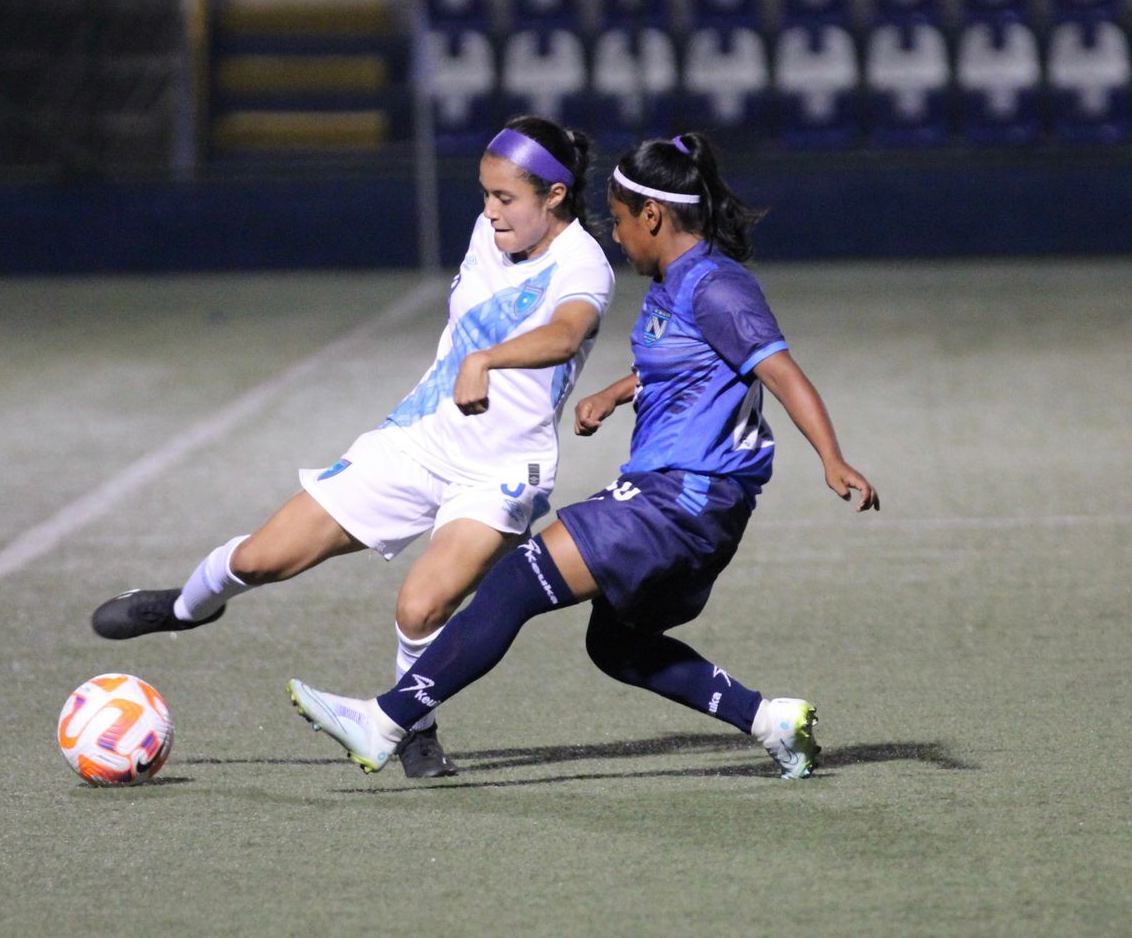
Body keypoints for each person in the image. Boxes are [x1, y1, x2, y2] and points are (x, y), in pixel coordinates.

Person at [288, 132, 879, 780]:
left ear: (653, 216)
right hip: (699, 508)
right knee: (616, 647)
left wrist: (832, 458)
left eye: (621, 222)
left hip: (679, 498)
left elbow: (782, 372)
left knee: (518, 580)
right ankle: (771, 721)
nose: (616, 238)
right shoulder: (677, 282)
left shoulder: (715, 287)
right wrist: (618, 391)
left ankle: (385, 722)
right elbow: (693, 364)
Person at [91, 115, 615, 778]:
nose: (489, 211)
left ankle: (414, 729)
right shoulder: (495, 231)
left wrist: (485, 359)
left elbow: (567, 334)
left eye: (505, 197)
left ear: (557, 196)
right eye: (484, 194)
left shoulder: (584, 265)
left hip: (504, 469)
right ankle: (184, 607)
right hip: (417, 438)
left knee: (421, 605)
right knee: (261, 558)